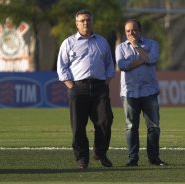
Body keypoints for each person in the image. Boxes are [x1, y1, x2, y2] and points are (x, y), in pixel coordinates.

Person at [57, 9, 115, 169]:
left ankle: (100, 152)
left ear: (92, 21)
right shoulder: (68, 43)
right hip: (78, 88)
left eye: (88, 20)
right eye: (82, 20)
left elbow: (110, 63)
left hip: (99, 87)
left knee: (105, 120)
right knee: (78, 126)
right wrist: (71, 85)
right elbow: (62, 67)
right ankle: (82, 158)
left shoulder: (102, 42)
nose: (85, 23)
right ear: (76, 23)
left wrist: (107, 81)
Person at [115, 19, 168, 167]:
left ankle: (154, 158)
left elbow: (152, 59)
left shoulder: (152, 44)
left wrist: (137, 47)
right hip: (129, 92)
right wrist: (142, 59)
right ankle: (133, 159)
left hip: (149, 91)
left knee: (154, 126)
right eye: (128, 31)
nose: (131, 33)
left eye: (134, 30)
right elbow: (123, 65)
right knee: (131, 127)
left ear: (140, 30)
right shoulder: (120, 48)